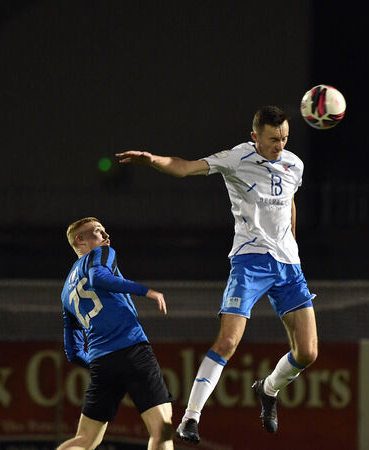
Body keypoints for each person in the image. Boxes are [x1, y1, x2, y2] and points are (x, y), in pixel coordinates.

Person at [116, 105, 318, 445]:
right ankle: (190, 418)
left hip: (288, 266)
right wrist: (153, 160)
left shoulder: (294, 164)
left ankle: (268, 390)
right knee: (227, 342)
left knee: (308, 353)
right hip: (249, 262)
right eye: (272, 140)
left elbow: (289, 201)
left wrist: (292, 247)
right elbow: (185, 167)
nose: (279, 146)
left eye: (284, 138)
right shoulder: (236, 158)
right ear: (255, 137)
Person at [58, 217, 175, 450]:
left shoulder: (65, 292)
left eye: (104, 231)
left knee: (85, 440)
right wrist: (147, 291)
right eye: (98, 232)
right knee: (162, 428)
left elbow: (72, 352)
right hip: (133, 350)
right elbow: (98, 277)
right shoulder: (100, 253)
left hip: (102, 361)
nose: (105, 237)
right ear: (80, 240)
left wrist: (102, 366)